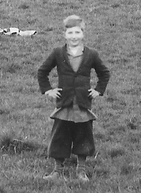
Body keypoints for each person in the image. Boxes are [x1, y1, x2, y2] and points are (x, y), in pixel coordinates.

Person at [36, 15, 111, 181]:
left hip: (83, 104)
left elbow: (104, 73)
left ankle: (81, 170)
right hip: (64, 104)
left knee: (83, 136)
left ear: (83, 33)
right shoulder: (57, 53)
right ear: (64, 34)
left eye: (77, 32)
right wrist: (48, 90)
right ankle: (57, 170)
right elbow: (42, 71)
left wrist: (98, 90)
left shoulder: (91, 54)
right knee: (60, 136)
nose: (74, 36)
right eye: (70, 33)